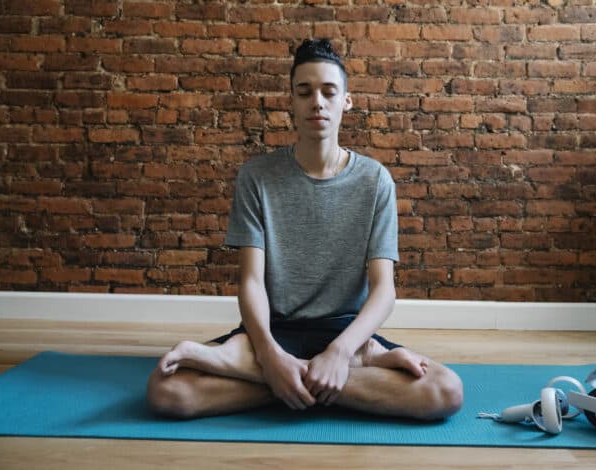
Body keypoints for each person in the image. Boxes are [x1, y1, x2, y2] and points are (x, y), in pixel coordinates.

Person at [146, 39, 463, 420]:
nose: (317, 101)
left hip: (346, 333)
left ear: (346, 100)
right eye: (304, 92)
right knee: (168, 393)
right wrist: (268, 354)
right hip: (274, 329)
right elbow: (251, 281)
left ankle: (281, 381)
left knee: (446, 391)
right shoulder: (257, 177)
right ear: (291, 102)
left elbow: (384, 290)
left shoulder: (375, 180)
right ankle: (314, 380)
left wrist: (341, 353)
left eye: (329, 91)